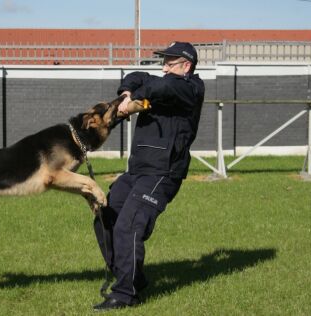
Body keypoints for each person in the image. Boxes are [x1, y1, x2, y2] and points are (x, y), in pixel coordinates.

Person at [93, 42, 205, 311]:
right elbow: (138, 77)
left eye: (170, 62)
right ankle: (134, 277)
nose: (164, 67)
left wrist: (135, 98)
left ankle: (125, 294)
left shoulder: (189, 88)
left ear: (186, 65)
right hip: (137, 170)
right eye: (163, 62)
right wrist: (128, 92)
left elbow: (161, 86)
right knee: (105, 217)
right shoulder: (158, 83)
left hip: (162, 173)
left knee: (129, 226)